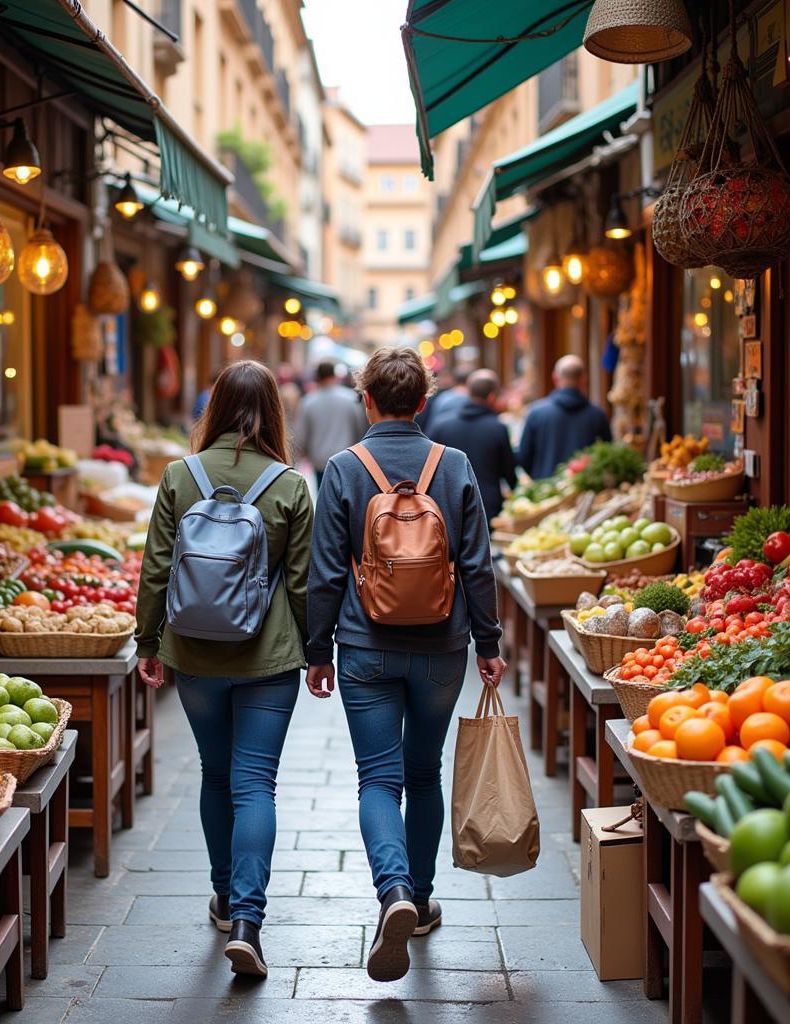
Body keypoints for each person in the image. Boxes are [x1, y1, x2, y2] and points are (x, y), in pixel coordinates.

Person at [306, 347, 505, 984]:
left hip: (364, 648)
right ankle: (418, 901)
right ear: (424, 401)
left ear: (366, 399)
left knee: (376, 779)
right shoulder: (454, 466)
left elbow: (326, 571)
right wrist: (489, 643)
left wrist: (318, 650)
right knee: (424, 773)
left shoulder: (342, 468)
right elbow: (476, 563)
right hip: (442, 650)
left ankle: (390, 889)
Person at [135, 361, 313, 980]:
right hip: (269, 660)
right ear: (274, 410)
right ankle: (247, 921)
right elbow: (302, 584)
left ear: (213, 407)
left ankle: (221, 894)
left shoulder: (179, 477)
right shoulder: (289, 485)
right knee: (254, 783)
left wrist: (147, 642)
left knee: (216, 773)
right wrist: (318, 653)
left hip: (195, 656)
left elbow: (156, 567)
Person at [430, 369, 518, 522]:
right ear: (492, 397)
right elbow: (508, 470)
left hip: (448, 502)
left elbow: (429, 464)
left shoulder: (441, 425)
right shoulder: (497, 428)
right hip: (487, 505)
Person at [517, 354, 612, 479]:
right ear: (583, 379)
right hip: (585, 492)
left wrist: (540, 476)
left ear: (555, 378)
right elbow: (606, 457)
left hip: (546, 491)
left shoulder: (536, 413)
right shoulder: (598, 415)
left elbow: (524, 457)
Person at [292, 360, 366, 486]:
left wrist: (298, 458)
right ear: (334, 376)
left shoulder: (309, 401)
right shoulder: (350, 399)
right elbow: (360, 428)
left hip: (319, 460)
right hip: (347, 456)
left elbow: (301, 434)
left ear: (318, 378)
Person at [417, 365, 469, 433]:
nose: (445, 381)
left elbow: (432, 423)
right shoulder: (472, 398)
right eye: (442, 377)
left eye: (447, 377)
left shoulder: (443, 399)